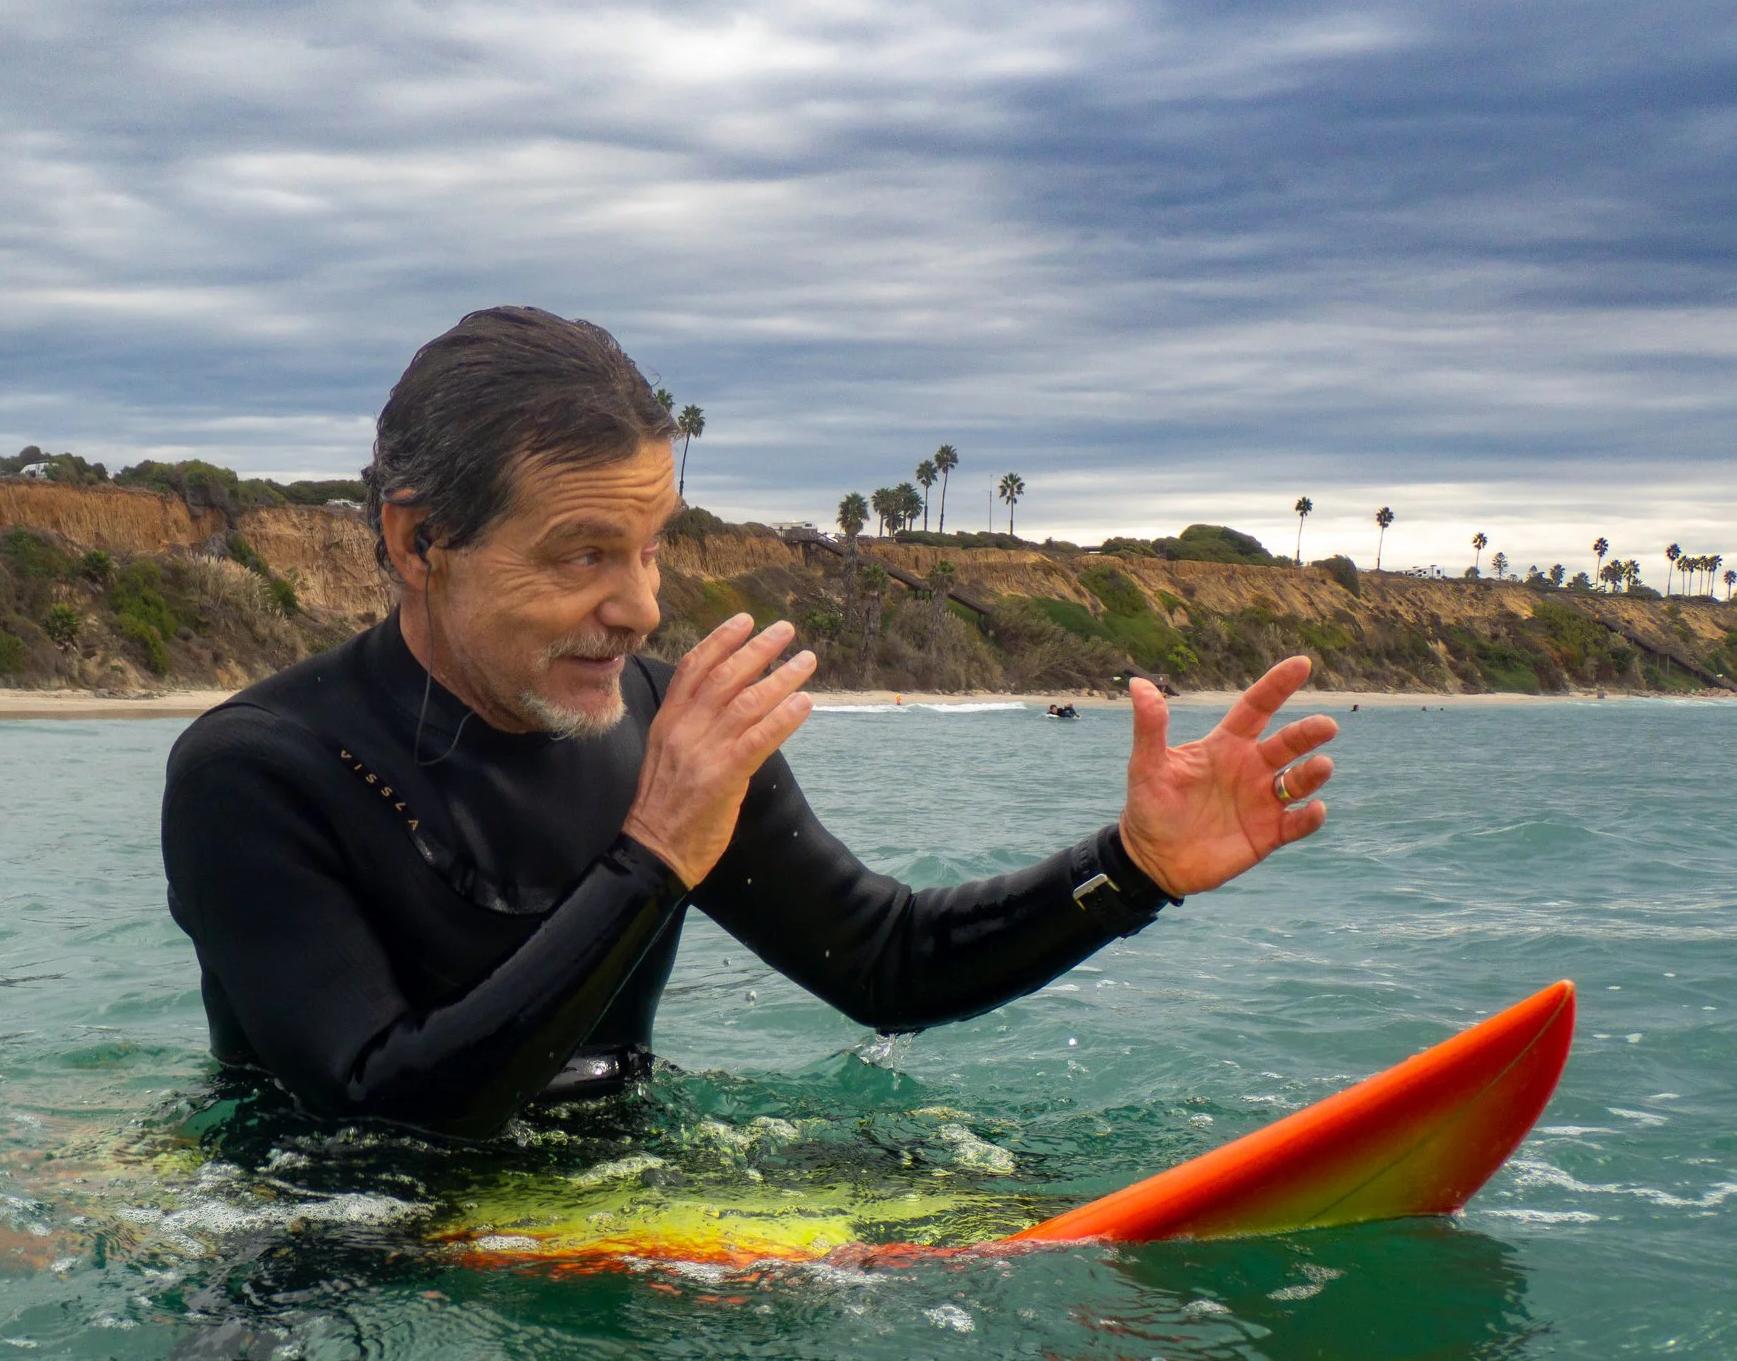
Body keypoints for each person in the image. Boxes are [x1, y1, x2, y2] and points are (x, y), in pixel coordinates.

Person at [161, 308, 1336, 1139]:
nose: (638, 608)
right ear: (418, 541)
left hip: (602, 1189)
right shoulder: (257, 773)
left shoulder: (665, 724)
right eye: (580, 555)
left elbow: (884, 961)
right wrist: (655, 853)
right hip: (322, 1239)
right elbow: (378, 1115)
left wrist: (1128, 872)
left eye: (651, 547)